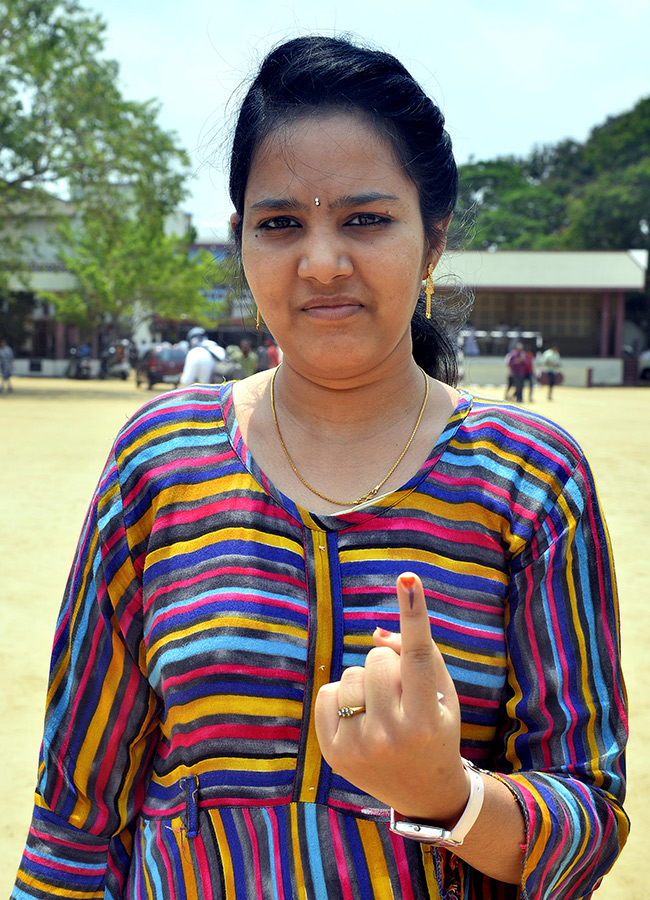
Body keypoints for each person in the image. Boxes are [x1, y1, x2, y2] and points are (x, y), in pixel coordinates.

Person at [13, 35, 628, 900]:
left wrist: (445, 794)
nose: (322, 262)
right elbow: (75, 811)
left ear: (435, 238)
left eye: (366, 219)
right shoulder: (157, 465)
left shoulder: (530, 480)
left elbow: (589, 823)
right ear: (242, 240)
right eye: (281, 224)